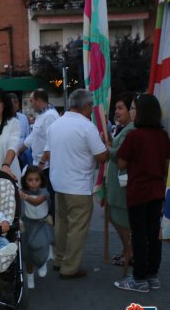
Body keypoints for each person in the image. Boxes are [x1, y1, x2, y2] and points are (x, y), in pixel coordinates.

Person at [44, 89, 108, 279]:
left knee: (61, 224)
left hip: (58, 182)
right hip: (78, 185)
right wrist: (106, 145)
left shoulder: (56, 125)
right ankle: (70, 267)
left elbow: (48, 153)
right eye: (91, 107)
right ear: (87, 106)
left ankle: (59, 259)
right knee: (77, 228)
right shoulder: (87, 127)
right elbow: (102, 156)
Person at [114, 94, 170, 292]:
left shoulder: (134, 136)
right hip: (156, 191)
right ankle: (152, 275)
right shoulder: (163, 136)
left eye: (133, 107)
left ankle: (139, 278)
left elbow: (121, 162)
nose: (130, 111)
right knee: (154, 235)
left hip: (138, 191)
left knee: (139, 235)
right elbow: (165, 165)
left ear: (141, 111)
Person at [103, 92, 135, 272]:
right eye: (116, 108)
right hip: (116, 182)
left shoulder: (131, 130)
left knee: (122, 220)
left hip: (123, 183)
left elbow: (119, 153)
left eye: (121, 108)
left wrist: (108, 147)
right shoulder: (122, 128)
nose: (117, 111)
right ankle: (126, 250)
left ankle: (129, 251)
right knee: (115, 218)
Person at [18, 89, 59, 218]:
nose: (30, 104)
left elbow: (50, 142)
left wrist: (42, 163)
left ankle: (51, 225)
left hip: (46, 166)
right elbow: (32, 137)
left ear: (38, 101)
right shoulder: (41, 116)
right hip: (38, 164)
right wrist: (18, 152)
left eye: (31, 101)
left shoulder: (51, 115)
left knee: (48, 196)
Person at [19, 165, 52, 289]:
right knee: (27, 252)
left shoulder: (44, 192)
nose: (33, 183)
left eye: (36, 180)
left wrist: (24, 196)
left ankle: (43, 262)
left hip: (42, 223)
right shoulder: (23, 192)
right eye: (30, 180)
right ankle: (29, 276)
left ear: (41, 180)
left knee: (40, 245)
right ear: (25, 181)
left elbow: (37, 201)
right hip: (28, 224)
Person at [8, 93, 31, 170]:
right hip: (10, 151)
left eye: (17, 102)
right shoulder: (4, 119)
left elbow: (28, 136)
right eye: (14, 103)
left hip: (23, 151)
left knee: (28, 154)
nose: (17, 105)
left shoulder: (23, 118)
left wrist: (21, 150)